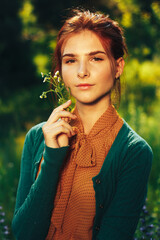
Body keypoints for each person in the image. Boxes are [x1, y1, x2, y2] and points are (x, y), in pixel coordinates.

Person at [12, 9, 153, 240]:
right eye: (70, 60)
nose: (82, 72)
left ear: (118, 67)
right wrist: (52, 159)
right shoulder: (37, 137)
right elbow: (23, 233)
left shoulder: (133, 152)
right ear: (60, 70)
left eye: (96, 58)